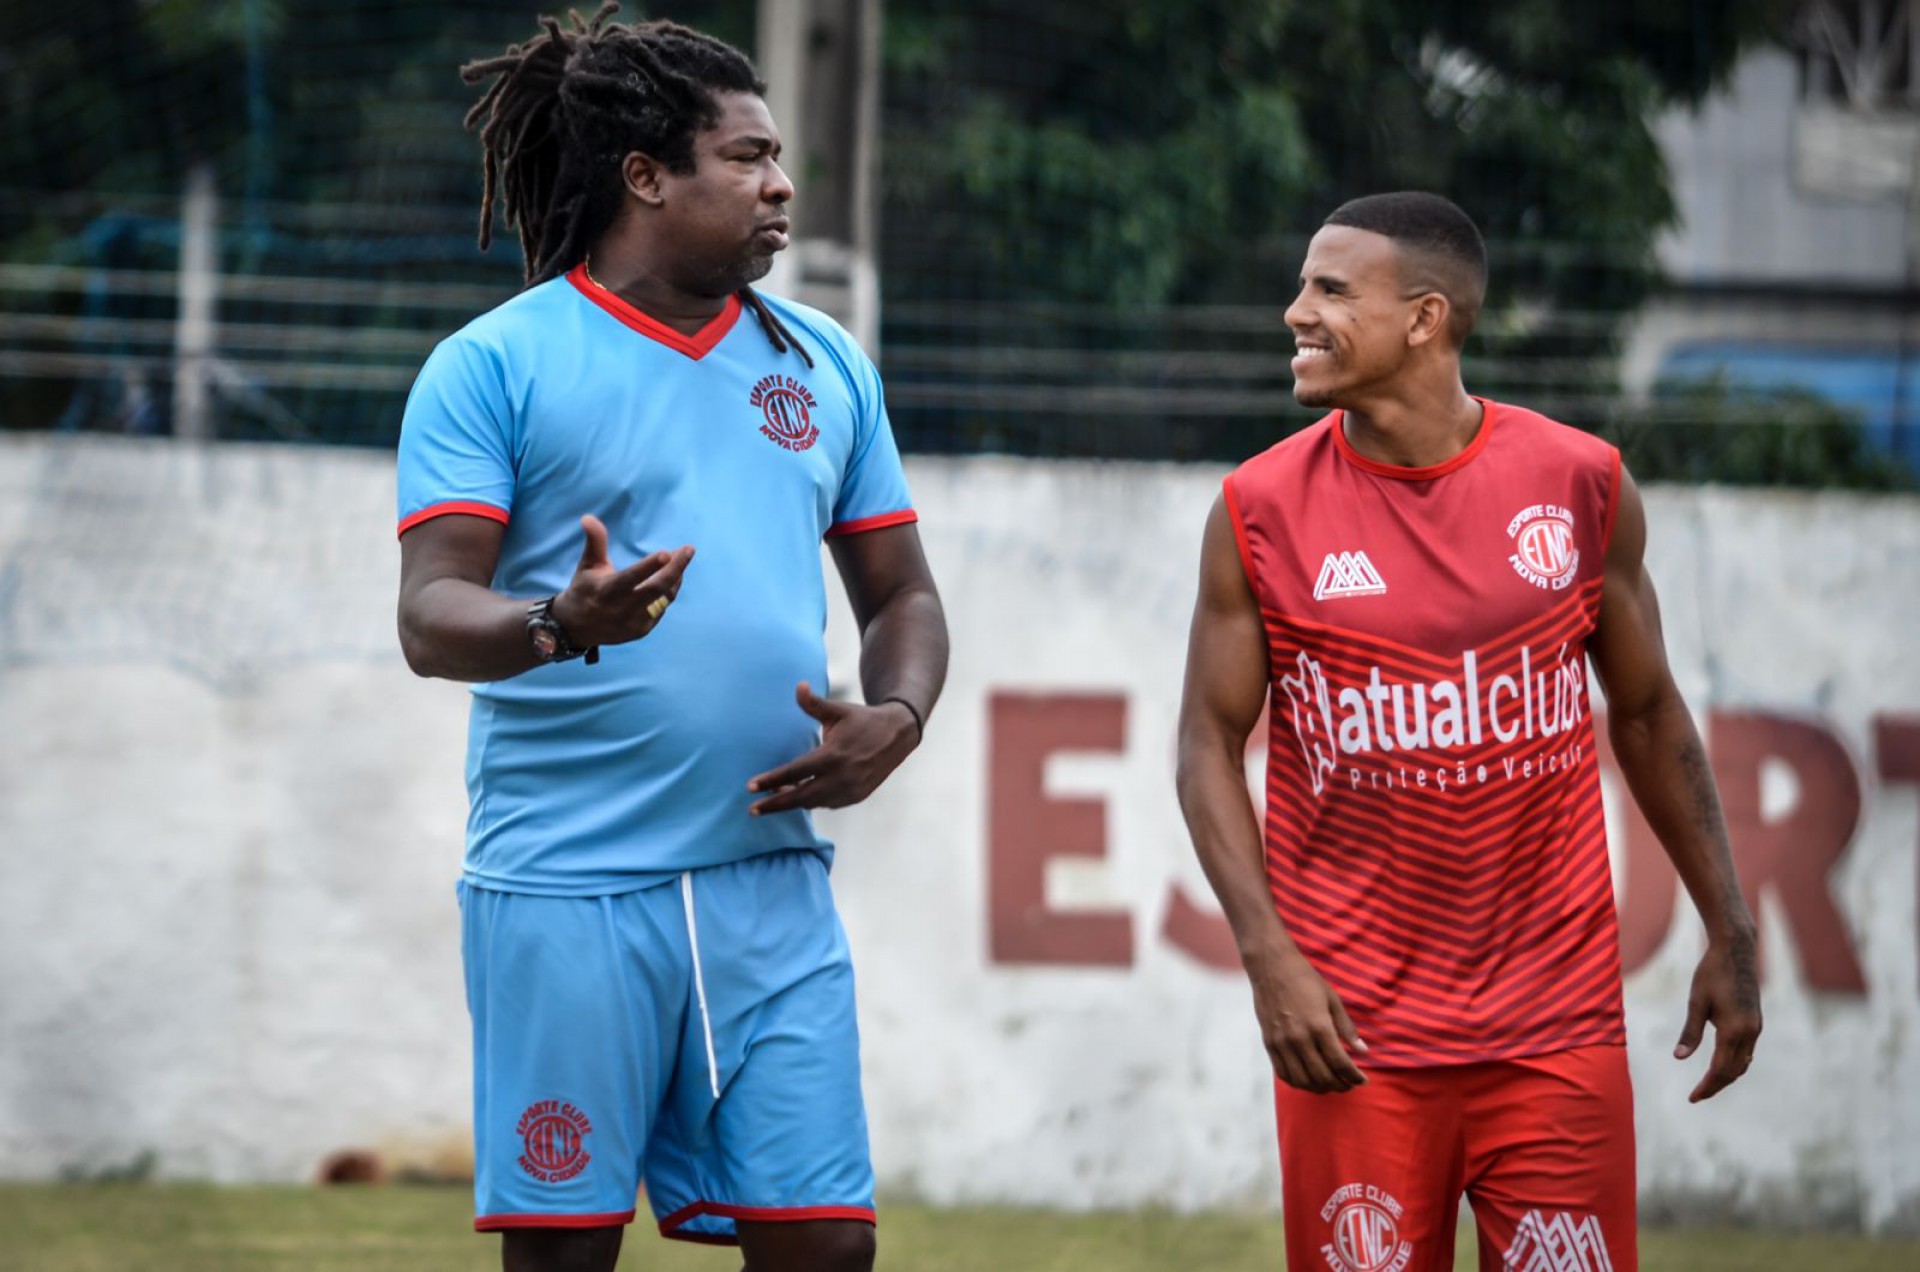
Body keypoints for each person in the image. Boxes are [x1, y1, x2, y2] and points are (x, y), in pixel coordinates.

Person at [394, 8, 947, 1271]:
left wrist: (896, 719)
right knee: (566, 1254)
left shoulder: (826, 364)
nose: (782, 183)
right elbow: (431, 617)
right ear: (646, 175)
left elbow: (902, 597)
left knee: (828, 1249)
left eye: (778, 157)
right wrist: (554, 621)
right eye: (748, 158)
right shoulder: (494, 366)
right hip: (566, 890)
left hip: (771, 887)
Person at [1174, 191, 1761, 1272]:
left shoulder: (1580, 484)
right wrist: (1269, 959)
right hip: (1354, 1039)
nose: (1294, 312)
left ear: (1426, 319)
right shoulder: (1257, 509)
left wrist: (1729, 923)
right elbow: (1205, 744)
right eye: (1304, 286)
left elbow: (1645, 712)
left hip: (1555, 1033)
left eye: (1330, 290)